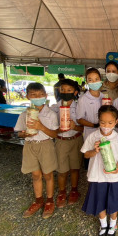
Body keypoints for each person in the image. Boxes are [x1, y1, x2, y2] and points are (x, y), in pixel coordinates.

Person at [14, 83, 59, 219]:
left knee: (48, 175)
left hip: (46, 145)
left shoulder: (50, 114)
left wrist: (41, 126)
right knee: (35, 175)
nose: (37, 98)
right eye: (33, 95)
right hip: (30, 145)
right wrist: (24, 135)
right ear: (28, 96)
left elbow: (54, 134)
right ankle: (39, 200)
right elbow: (19, 133)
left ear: (45, 95)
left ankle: (50, 200)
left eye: (40, 95)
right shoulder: (24, 114)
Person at [81, 105, 118, 236]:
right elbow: (86, 155)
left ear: (116, 122)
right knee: (99, 200)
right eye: (102, 122)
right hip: (97, 176)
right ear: (98, 120)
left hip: (113, 176)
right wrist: (94, 151)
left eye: (110, 123)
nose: (106, 126)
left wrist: (117, 168)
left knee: (113, 200)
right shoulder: (92, 136)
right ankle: (103, 225)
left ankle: (113, 224)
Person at [51, 79, 84, 208]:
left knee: (75, 168)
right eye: (62, 90)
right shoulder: (55, 108)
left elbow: (83, 128)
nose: (65, 92)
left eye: (69, 90)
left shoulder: (79, 107)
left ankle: (74, 190)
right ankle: (62, 192)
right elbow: (51, 127)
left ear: (75, 92)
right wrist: (58, 129)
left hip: (76, 140)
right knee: (62, 170)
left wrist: (75, 127)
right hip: (61, 141)